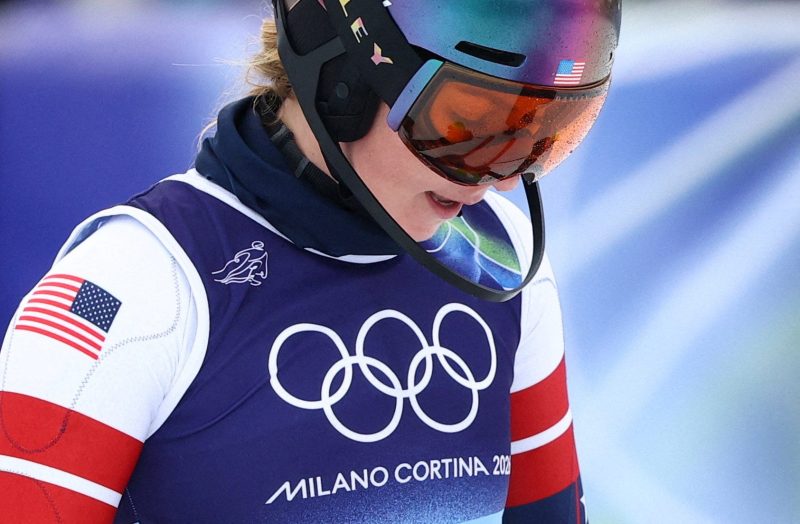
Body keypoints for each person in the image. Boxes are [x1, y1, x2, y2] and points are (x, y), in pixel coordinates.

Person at [0, 0, 620, 521]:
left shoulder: (501, 254)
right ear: (342, 78)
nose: (500, 177)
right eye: (465, 124)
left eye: (546, 131)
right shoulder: (134, 281)